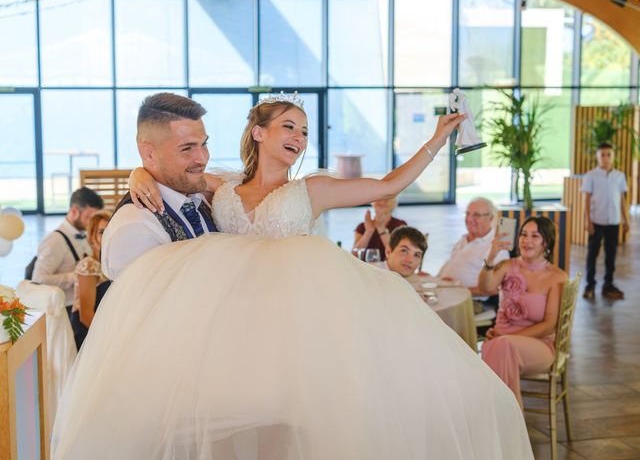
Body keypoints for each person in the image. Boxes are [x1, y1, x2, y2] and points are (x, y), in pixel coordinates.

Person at [52, 92, 533, 459]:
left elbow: (388, 184)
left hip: (297, 322)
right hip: (233, 332)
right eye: (288, 126)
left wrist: (437, 139)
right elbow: (173, 169)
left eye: (303, 131)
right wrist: (140, 171)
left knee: (303, 420)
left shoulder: (313, 189)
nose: (299, 138)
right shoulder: (222, 185)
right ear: (258, 132)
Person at [101, 93, 217, 280]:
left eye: (204, 144)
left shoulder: (199, 197)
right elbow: (143, 306)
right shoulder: (135, 225)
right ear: (149, 154)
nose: (202, 158)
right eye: (187, 148)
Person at [478, 216, 567, 409]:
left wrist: (507, 336)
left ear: (547, 242)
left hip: (539, 345)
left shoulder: (557, 277)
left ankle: (498, 420)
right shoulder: (507, 266)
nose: (527, 241)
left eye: (535, 236)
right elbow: (485, 287)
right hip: (501, 342)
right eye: (523, 235)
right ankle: (508, 422)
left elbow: (549, 325)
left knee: (499, 346)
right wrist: (492, 256)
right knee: (501, 347)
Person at [32, 187, 103, 317]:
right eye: (89, 217)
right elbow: (38, 279)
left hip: (87, 304)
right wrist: (76, 277)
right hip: (67, 311)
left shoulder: (85, 234)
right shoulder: (55, 240)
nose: (92, 223)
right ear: (75, 211)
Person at [582, 142, 629, 300]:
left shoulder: (620, 176)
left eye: (609, 154)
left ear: (613, 156)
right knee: (592, 254)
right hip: (596, 221)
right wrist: (587, 220)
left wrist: (625, 219)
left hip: (614, 222)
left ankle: (608, 285)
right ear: (597, 156)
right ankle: (590, 285)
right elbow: (586, 199)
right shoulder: (591, 176)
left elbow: (622, 199)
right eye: (602, 155)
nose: (606, 158)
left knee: (611, 254)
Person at [438, 197, 509, 297]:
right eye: (468, 214)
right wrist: (434, 279)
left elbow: (497, 288)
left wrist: (461, 290)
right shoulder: (463, 239)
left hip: (471, 302)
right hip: (445, 292)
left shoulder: (496, 247)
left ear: (491, 218)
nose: (469, 219)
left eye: (476, 215)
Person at [70, 210, 111, 350]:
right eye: (101, 232)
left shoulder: (113, 264)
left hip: (105, 325)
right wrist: (106, 338)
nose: (107, 235)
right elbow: (86, 315)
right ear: (92, 236)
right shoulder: (89, 265)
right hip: (88, 330)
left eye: (109, 230)